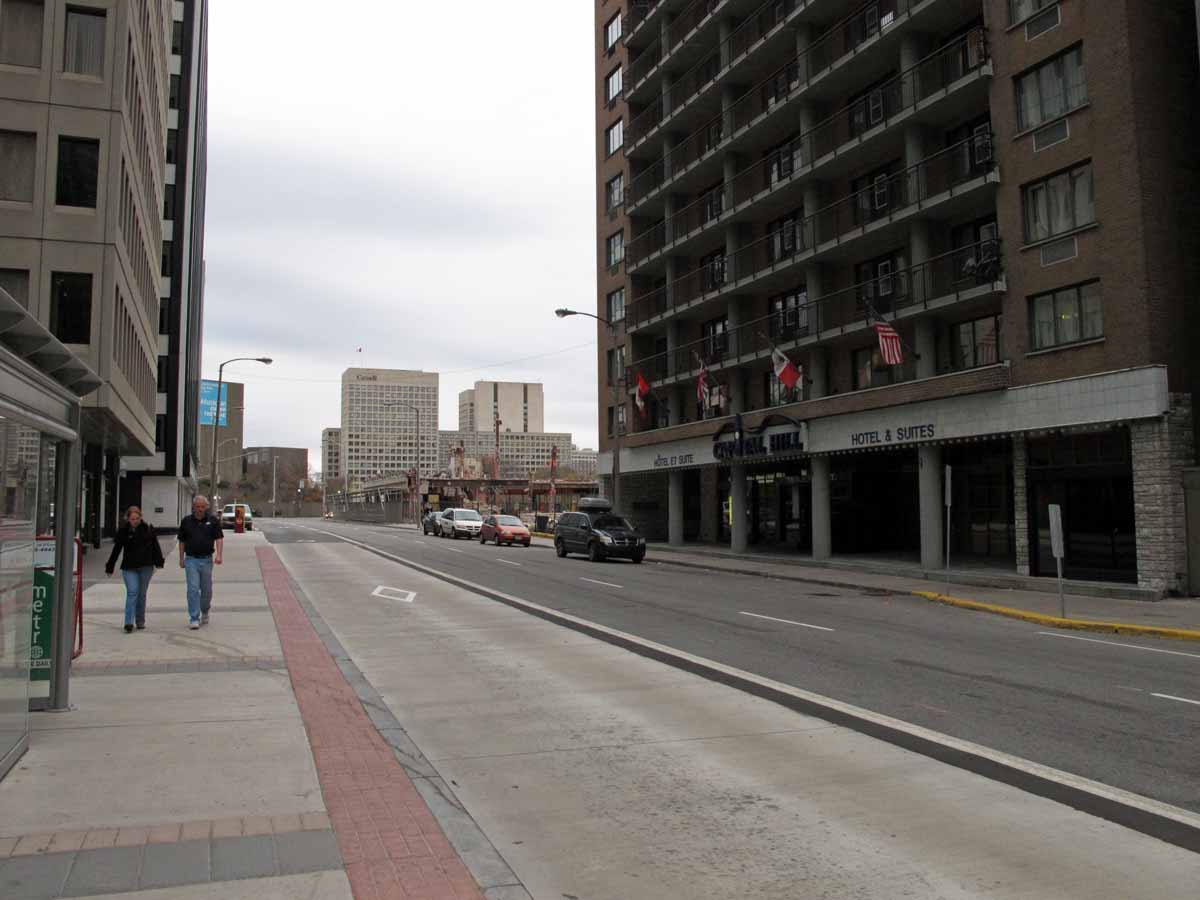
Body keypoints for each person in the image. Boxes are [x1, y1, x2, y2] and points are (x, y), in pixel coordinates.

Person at [105, 506, 165, 633]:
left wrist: (159, 561)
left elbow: (155, 546)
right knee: (132, 592)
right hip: (129, 567)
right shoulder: (123, 532)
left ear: (141, 517)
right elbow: (116, 550)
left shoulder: (148, 529)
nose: (135, 521)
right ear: (128, 519)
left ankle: (140, 621)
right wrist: (110, 566)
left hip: (146, 566)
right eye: (132, 519)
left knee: (141, 594)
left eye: (137, 518)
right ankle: (128, 622)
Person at [177, 495, 224, 630]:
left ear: (206, 507)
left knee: (206, 590)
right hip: (191, 559)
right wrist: (181, 558)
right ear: (193, 507)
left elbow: (219, 538)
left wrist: (219, 555)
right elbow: (182, 541)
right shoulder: (186, 521)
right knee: (192, 589)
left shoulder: (213, 521)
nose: (200, 509)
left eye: (202, 507)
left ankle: (205, 610)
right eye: (197, 506)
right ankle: (194, 617)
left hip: (207, 560)